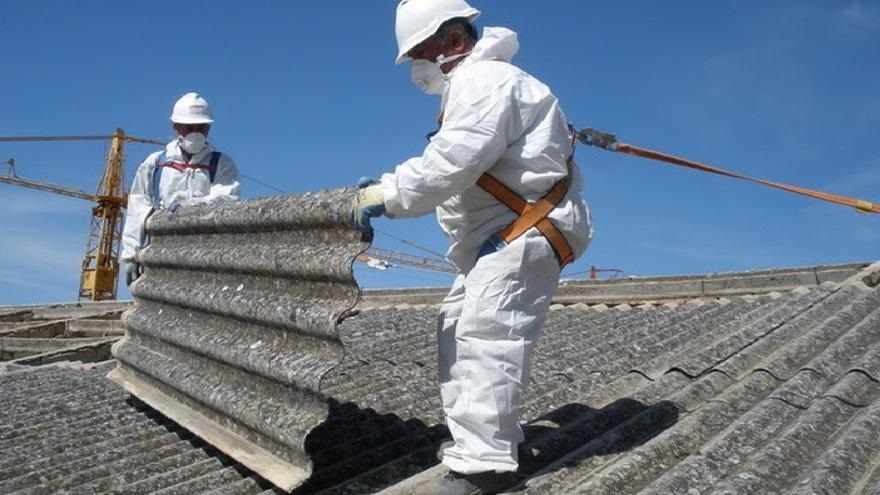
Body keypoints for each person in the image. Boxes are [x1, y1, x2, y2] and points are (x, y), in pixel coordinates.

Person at [352, 0, 593, 492]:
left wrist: (388, 193)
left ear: (455, 41)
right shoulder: (483, 83)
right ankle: (485, 439)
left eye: (421, 53)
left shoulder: (484, 80)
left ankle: (484, 467)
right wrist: (390, 188)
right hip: (502, 235)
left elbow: (452, 161)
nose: (417, 67)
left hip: (522, 229)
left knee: (487, 336)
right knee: (457, 327)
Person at [121, 92, 240, 286]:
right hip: (161, 252)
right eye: (189, 127)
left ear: (209, 128)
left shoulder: (222, 164)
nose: (196, 133)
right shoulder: (156, 163)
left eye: (201, 127)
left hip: (204, 254)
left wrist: (190, 206)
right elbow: (137, 207)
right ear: (176, 127)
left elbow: (227, 200)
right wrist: (131, 254)